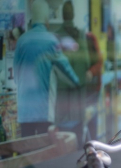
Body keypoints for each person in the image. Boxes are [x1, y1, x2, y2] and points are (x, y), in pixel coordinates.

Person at [13, 0, 79, 137]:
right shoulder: (51, 41)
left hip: (25, 110)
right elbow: (66, 69)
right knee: (44, 150)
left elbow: (15, 74)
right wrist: (77, 82)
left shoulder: (22, 41)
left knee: (27, 149)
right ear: (46, 19)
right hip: (44, 110)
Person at [55, 1, 102, 147]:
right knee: (73, 126)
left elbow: (97, 61)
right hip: (74, 89)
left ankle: (90, 148)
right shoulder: (67, 36)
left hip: (82, 90)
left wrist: (90, 73)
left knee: (77, 127)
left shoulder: (85, 37)